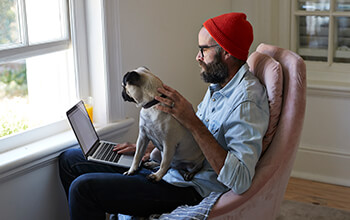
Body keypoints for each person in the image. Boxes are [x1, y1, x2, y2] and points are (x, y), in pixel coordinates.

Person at [58, 12, 269, 219]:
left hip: (188, 186)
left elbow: (240, 180)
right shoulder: (220, 84)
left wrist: (192, 122)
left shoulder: (246, 102)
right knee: (70, 159)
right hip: (169, 166)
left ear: (226, 52)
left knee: (82, 189)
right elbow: (195, 140)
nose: (197, 57)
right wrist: (151, 147)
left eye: (203, 50)